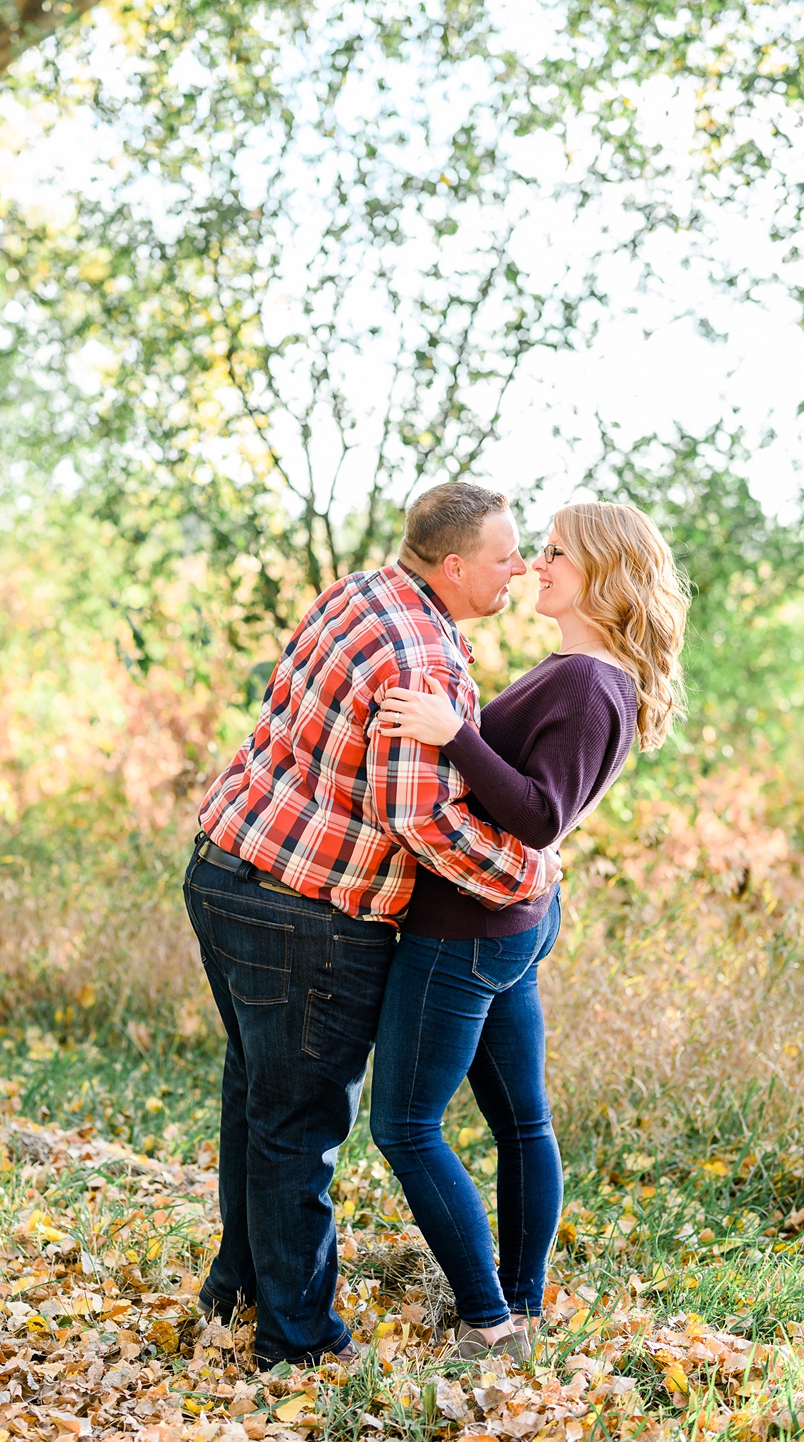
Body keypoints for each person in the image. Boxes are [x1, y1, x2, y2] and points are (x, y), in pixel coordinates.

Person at [183, 482, 561, 1366]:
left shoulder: (359, 592)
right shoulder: (425, 659)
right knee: (299, 1126)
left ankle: (236, 1291)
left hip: (225, 865)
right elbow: (420, 817)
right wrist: (530, 872)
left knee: (257, 1097)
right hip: (305, 913)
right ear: (455, 565)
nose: (519, 568)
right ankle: (299, 1342)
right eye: (505, 556)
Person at [369, 500, 690, 1365]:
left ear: (604, 574)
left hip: (467, 932)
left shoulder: (588, 682)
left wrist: (454, 734)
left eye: (554, 553)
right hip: (506, 923)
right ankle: (520, 1311)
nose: (535, 566)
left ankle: (489, 1322)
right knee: (522, 1123)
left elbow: (542, 815)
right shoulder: (584, 671)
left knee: (404, 1125)